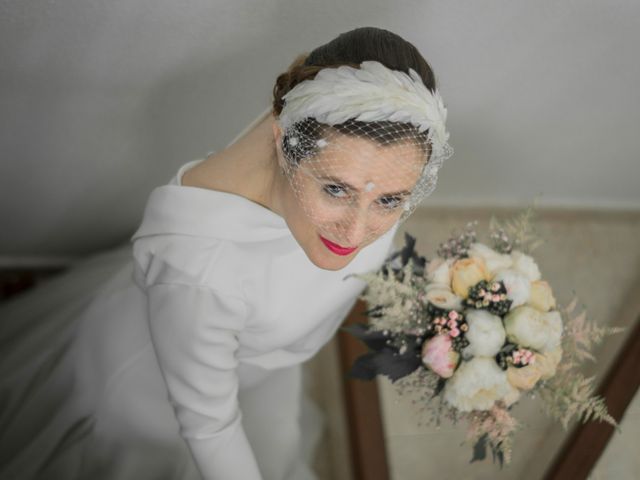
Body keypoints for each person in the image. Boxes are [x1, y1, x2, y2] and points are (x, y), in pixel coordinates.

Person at [0, 26, 451, 480]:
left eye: (390, 200)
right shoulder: (201, 274)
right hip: (155, 395)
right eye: (336, 190)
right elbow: (210, 427)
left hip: (256, 363)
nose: (357, 233)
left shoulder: (334, 116)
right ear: (282, 143)